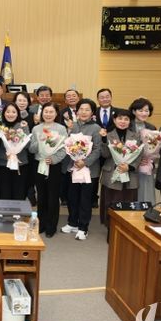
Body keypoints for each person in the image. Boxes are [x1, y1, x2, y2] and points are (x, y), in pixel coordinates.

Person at [61, 98, 101, 241]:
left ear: (92, 112)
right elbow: (67, 145)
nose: (84, 112)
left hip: (89, 170)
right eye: (81, 109)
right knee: (72, 197)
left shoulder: (96, 128)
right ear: (77, 111)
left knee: (85, 200)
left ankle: (83, 227)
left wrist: (85, 162)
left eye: (87, 110)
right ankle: (72, 223)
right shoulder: (72, 126)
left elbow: (97, 149)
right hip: (73, 168)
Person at [28, 103, 66, 237]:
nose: (48, 114)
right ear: (42, 113)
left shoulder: (61, 129)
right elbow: (31, 149)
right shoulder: (36, 128)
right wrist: (39, 142)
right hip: (39, 164)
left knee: (53, 196)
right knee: (41, 195)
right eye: (46, 111)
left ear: (56, 114)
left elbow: (64, 148)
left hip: (54, 165)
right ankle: (41, 223)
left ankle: (51, 226)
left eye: (51, 112)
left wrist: (54, 159)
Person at [99, 110, 143, 226]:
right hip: (112, 173)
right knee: (111, 202)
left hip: (129, 174)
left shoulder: (136, 136)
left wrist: (130, 167)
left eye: (126, 119)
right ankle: (110, 227)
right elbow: (105, 155)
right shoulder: (108, 135)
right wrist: (104, 140)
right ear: (114, 120)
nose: (123, 121)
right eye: (120, 118)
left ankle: (127, 227)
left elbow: (139, 155)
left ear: (130, 121)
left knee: (128, 202)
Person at [0, 103, 31, 200]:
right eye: (8, 112)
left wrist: (23, 130)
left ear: (17, 113)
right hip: (4, 165)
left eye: (13, 112)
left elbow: (28, 145)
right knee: (4, 193)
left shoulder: (23, 125)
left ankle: (18, 211)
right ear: (4, 113)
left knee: (19, 193)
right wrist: (6, 156)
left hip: (21, 165)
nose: (10, 114)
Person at [129, 97, 157, 204]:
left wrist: (150, 159)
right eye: (140, 110)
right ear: (134, 111)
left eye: (146, 110)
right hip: (130, 164)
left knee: (145, 192)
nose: (144, 113)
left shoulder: (152, 127)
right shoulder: (127, 125)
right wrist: (137, 160)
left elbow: (154, 147)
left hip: (146, 164)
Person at [14, 91, 37, 204]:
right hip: (12, 153)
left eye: (24, 100)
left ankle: (28, 195)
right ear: (15, 101)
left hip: (28, 153)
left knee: (27, 178)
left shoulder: (33, 116)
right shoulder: (10, 114)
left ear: (28, 102)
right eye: (19, 100)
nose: (22, 103)